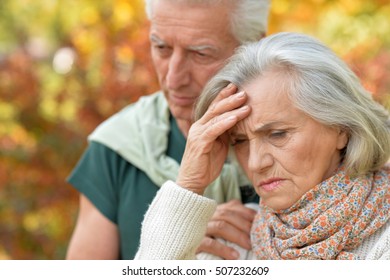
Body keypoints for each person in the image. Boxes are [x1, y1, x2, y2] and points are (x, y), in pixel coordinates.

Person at [135, 32, 390, 260]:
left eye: (278, 134)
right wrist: (190, 184)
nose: (256, 163)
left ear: (341, 129)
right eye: (240, 141)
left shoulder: (382, 240)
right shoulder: (232, 239)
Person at [66, 0, 270, 260]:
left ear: (254, 46)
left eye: (200, 53)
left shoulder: (300, 139)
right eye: (161, 48)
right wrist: (176, 237)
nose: (173, 78)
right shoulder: (116, 148)